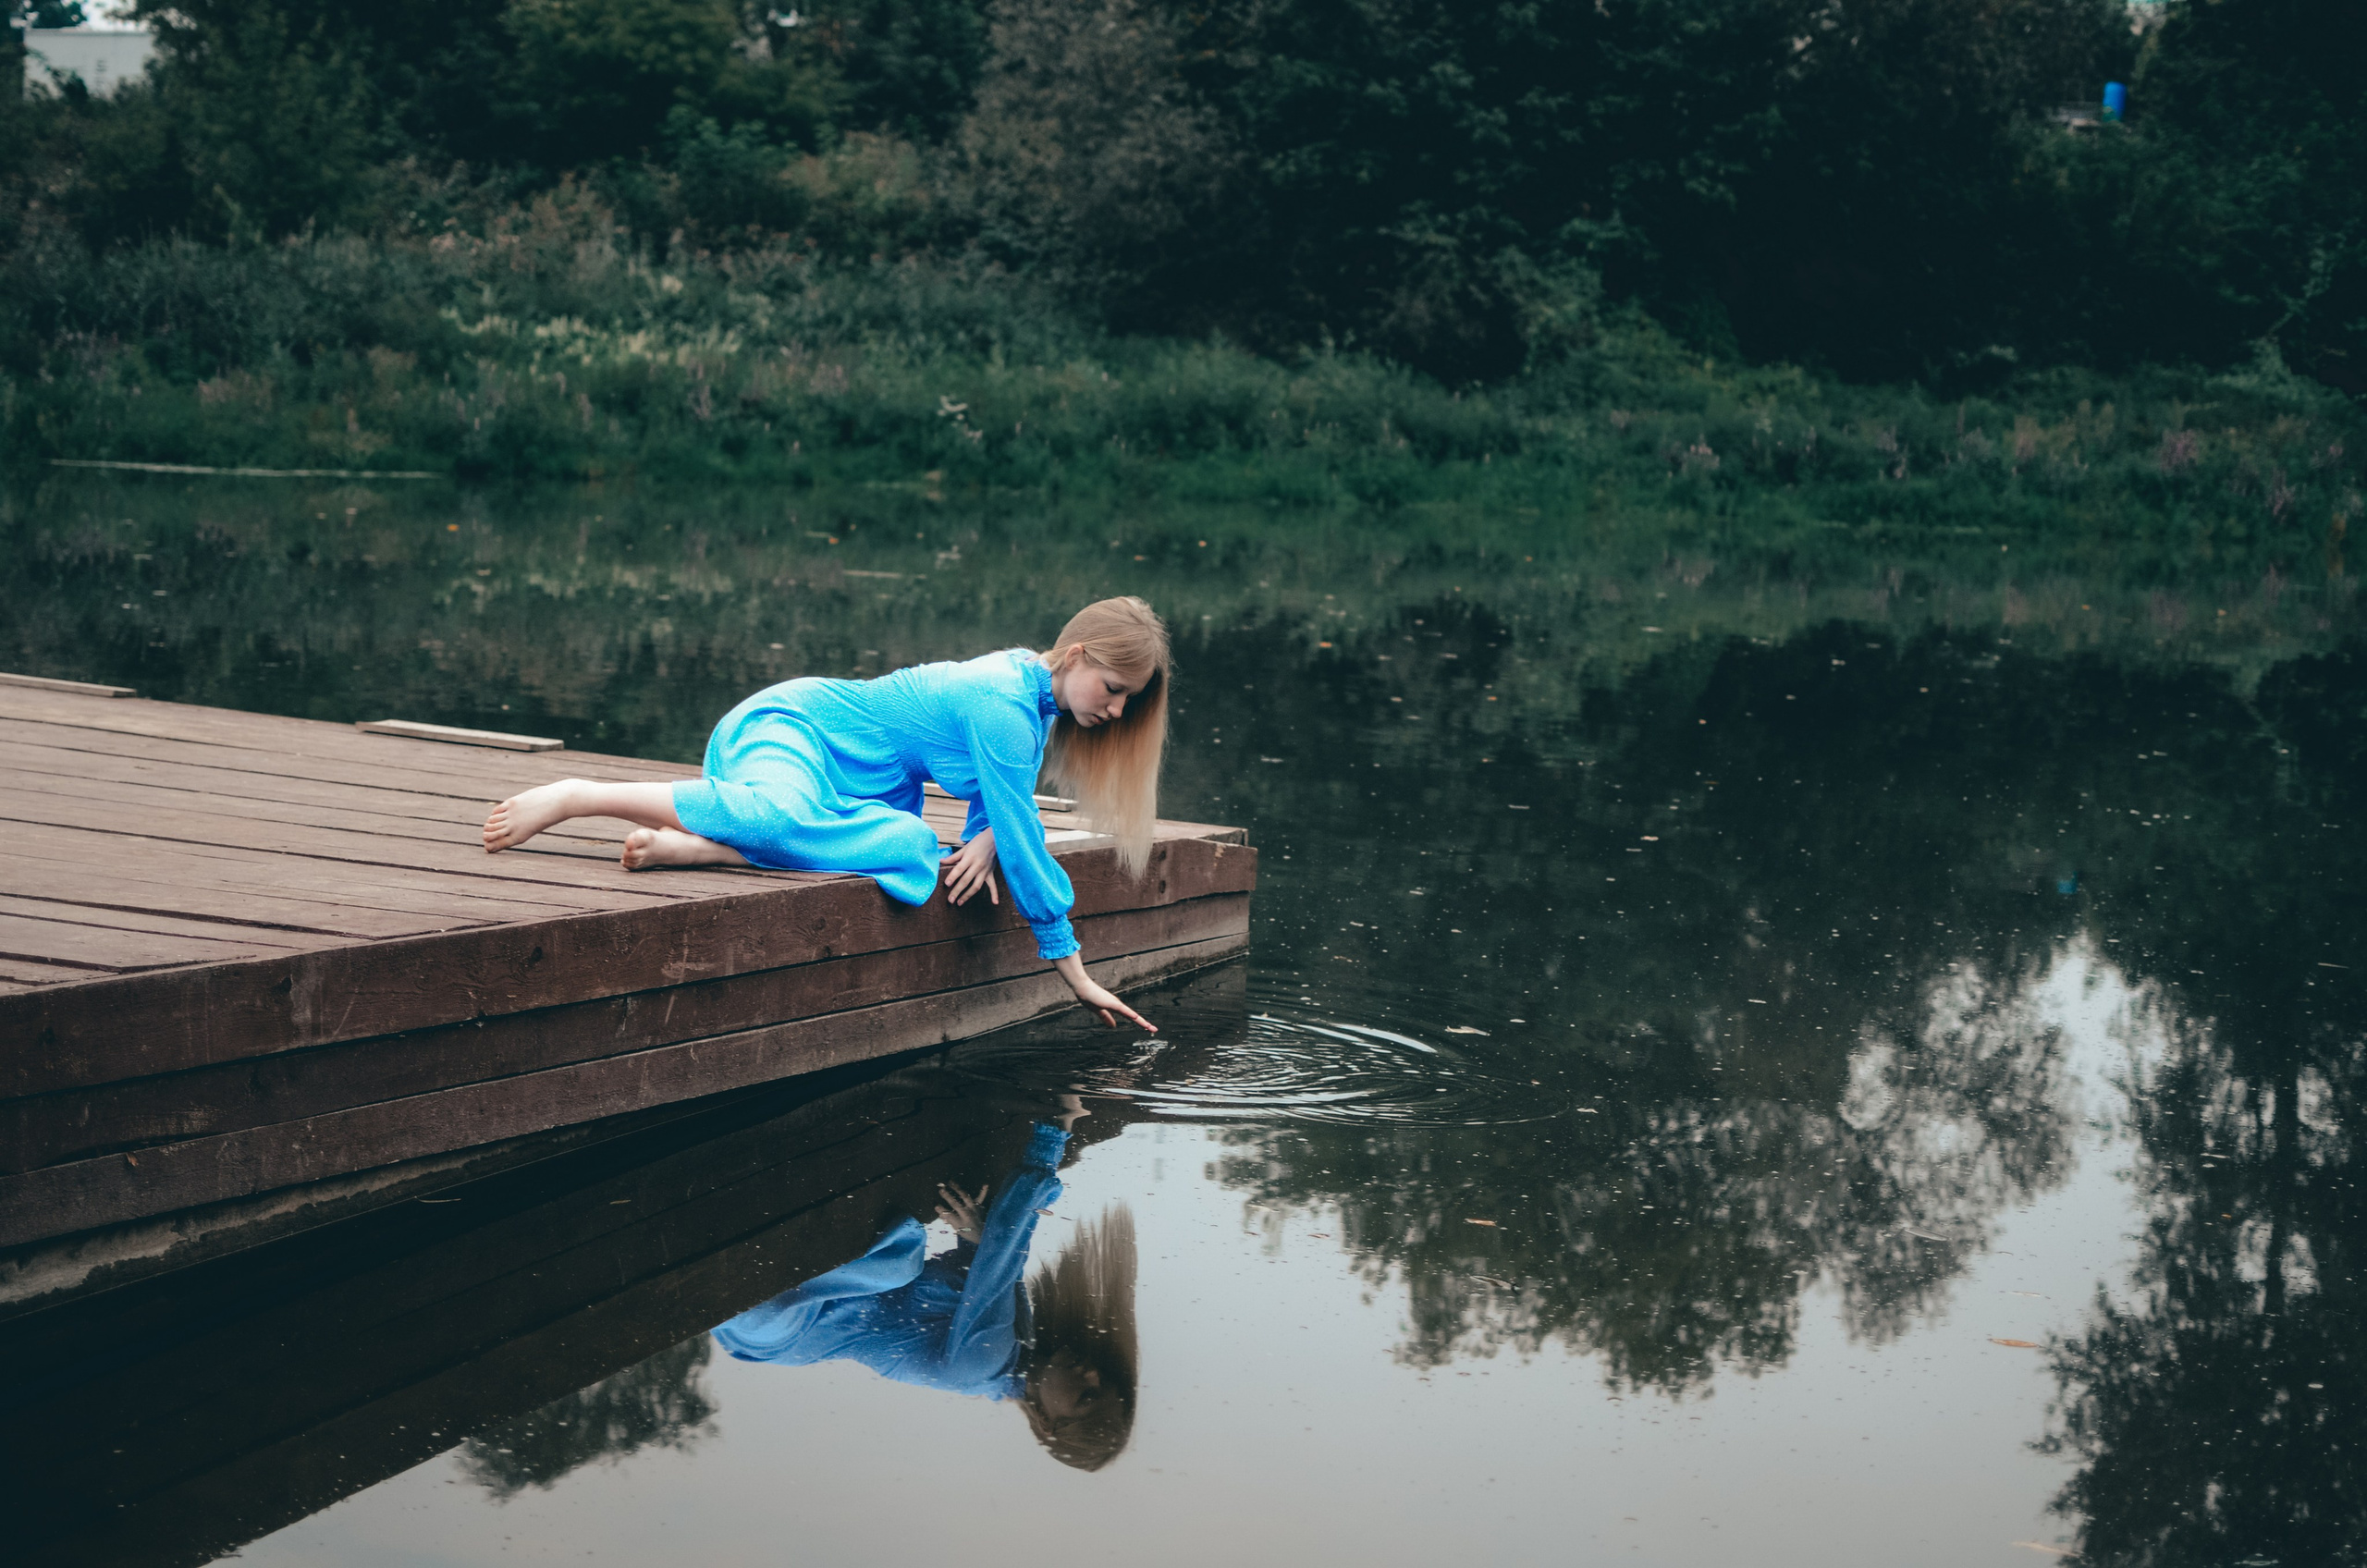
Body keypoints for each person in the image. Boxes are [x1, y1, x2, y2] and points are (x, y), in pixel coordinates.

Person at [479, 597, 1169, 1032]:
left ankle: (718, 849)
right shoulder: (1004, 702)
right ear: (1075, 655)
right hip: (795, 729)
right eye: (1112, 691)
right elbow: (1024, 835)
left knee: (909, 847)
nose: (1112, 713)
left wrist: (985, 833)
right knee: (780, 814)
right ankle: (580, 795)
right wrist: (1074, 972)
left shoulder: (1031, 696)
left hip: (858, 797)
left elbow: (1003, 814)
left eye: (1125, 704)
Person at [712, 1096, 1140, 1472]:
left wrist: (1054, 1135)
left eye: (1086, 1397)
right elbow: (985, 1263)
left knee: (900, 1261)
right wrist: (973, 1238)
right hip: (812, 1295)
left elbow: (1004, 1253)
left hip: (778, 1330)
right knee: (897, 1256)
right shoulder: (1023, 1342)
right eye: (1105, 1383)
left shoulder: (983, 1366)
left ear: (1046, 1421)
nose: (1091, 1374)